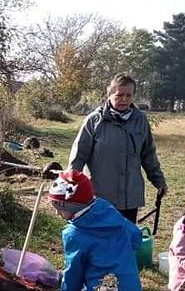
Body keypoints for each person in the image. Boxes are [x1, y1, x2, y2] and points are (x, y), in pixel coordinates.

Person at [69, 73, 168, 223]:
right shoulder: (94, 121)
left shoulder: (140, 120)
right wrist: (70, 183)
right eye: (119, 95)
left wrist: (159, 181)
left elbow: (148, 155)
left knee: (124, 242)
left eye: (129, 95)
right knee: (100, 242)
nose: (124, 99)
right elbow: (78, 156)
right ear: (109, 94)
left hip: (129, 199)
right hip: (99, 198)